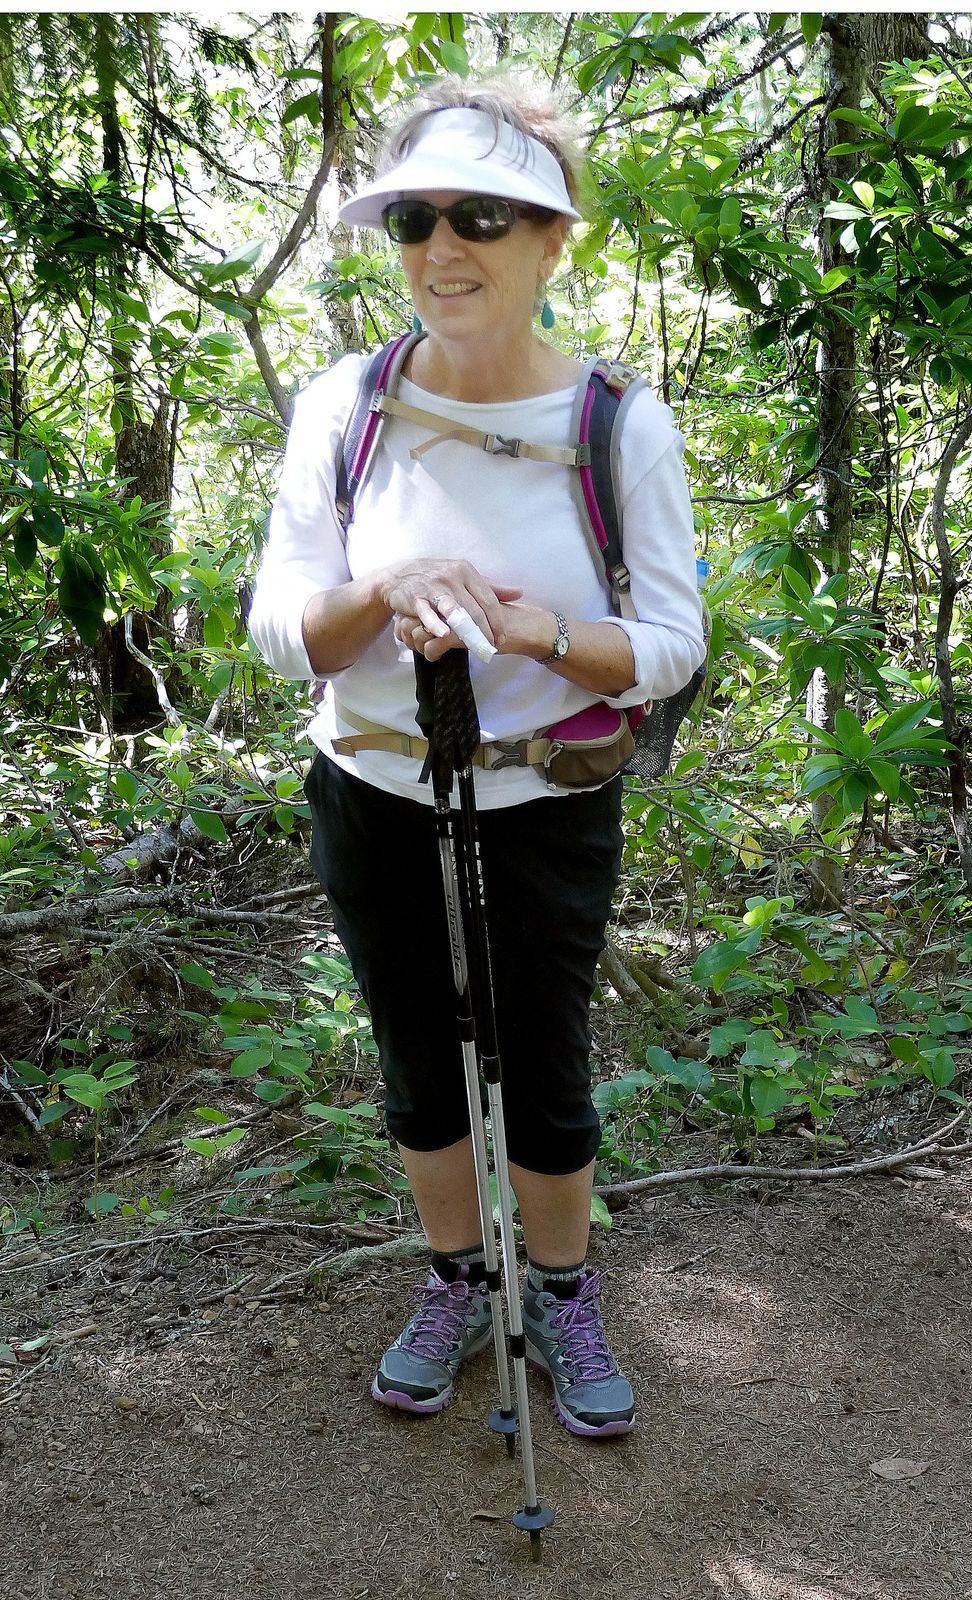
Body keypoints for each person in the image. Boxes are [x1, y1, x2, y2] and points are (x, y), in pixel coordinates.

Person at [249, 77, 705, 1438]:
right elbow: (284, 625)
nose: (442, 248)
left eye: (483, 217)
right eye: (414, 219)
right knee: (415, 1053)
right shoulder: (349, 402)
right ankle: (454, 1277)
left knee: (544, 1056)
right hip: (373, 781)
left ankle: (560, 1289)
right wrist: (383, 595)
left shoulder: (615, 420)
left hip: (545, 794)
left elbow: (671, 639)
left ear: (552, 240)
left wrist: (543, 632)